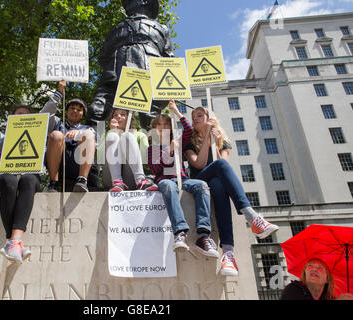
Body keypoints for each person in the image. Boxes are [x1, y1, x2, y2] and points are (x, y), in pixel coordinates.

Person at [184, 106, 279, 276]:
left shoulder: (223, 140)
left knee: (220, 186)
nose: (195, 118)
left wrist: (216, 141)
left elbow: (224, 165)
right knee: (218, 169)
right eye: (193, 116)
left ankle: (228, 253)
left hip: (214, 184)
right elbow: (198, 164)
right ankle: (251, 215)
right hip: (198, 181)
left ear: (209, 117)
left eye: (200, 115)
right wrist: (206, 136)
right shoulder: (189, 141)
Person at [148, 100, 218, 257]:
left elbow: (188, 128)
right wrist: (169, 150)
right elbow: (156, 169)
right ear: (154, 129)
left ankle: (203, 235)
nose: (163, 127)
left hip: (183, 180)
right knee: (168, 186)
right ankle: (180, 232)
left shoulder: (179, 141)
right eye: (159, 125)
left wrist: (176, 111)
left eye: (166, 124)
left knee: (202, 185)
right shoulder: (152, 148)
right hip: (165, 180)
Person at [87, 0, 173, 128]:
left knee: (151, 117)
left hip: (148, 70)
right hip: (115, 70)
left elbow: (169, 59)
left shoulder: (161, 28)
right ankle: (90, 141)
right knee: (98, 108)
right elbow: (104, 56)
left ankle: (157, 147)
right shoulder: (117, 27)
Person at [0, 105, 40, 264]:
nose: (22, 117)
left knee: (29, 181)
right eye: (19, 114)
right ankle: (13, 241)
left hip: (28, 175)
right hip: (4, 178)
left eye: (26, 115)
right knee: (10, 180)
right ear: (11, 117)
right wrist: (8, 137)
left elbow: (44, 156)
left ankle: (15, 242)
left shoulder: (37, 134)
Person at [42, 81, 97, 192]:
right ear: (66, 111)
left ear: (82, 114)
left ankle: (82, 180)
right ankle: (53, 183)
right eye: (72, 108)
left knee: (88, 135)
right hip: (58, 163)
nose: (75, 111)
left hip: (78, 164)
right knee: (56, 135)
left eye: (79, 109)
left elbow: (95, 146)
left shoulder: (87, 129)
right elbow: (44, 115)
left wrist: (79, 133)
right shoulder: (57, 123)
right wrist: (59, 93)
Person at [98, 108, 158, 192]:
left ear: (129, 118)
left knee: (127, 136)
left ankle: (141, 181)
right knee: (112, 137)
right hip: (111, 180)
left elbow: (146, 161)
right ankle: (117, 182)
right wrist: (113, 132)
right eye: (115, 115)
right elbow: (100, 158)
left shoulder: (140, 135)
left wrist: (130, 140)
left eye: (122, 114)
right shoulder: (107, 135)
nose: (118, 116)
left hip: (132, 179)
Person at [280, 258, 353, 300]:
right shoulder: (292, 290)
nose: (314, 269)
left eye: (320, 268)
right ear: (305, 273)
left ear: (327, 279)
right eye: (310, 266)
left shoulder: (329, 298)